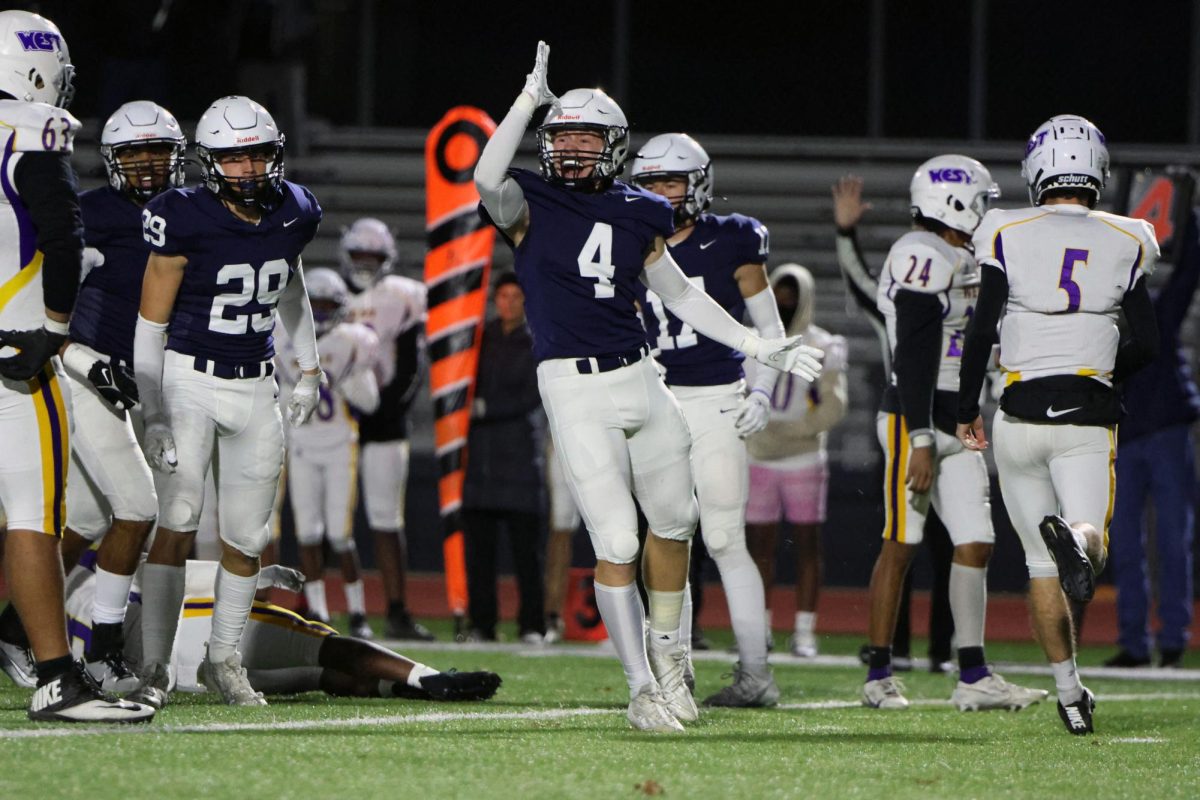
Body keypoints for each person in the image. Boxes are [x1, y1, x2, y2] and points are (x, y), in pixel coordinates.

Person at [474, 42, 821, 732]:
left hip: (641, 376)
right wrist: (524, 102)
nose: (571, 148)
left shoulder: (641, 210)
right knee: (618, 545)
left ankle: (672, 670)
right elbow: (486, 176)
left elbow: (683, 295)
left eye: (586, 136)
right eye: (561, 136)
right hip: (573, 388)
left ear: (614, 145)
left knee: (676, 526)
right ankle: (640, 691)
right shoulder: (529, 203)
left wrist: (756, 345)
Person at [958, 115, 1161, 735]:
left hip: (1016, 411)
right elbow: (1147, 343)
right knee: (1088, 541)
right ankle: (1077, 536)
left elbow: (982, 326)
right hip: (1084, 415)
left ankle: (1070, 695)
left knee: (1039, 569)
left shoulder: (1005, 229)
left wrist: (967, 405)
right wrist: (1104, 376)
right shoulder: (1127, 236)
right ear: (1095, 169)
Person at [131, 95, 324, 708]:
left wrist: (310, 367)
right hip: (189, 378)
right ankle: (155, 663)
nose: (250, 169)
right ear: (210, 163)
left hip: (256, 384)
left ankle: (223, 659)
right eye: (235, 159)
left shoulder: (295, 211)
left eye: (259, 155)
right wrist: (154, 409)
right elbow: (150, 324)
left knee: (247, 535)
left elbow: (290, 288)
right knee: (179, 519)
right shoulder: (181, 216)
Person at [0, 10, 152, 723]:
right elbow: (63, 237)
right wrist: (55, 332)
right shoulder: (35, 128)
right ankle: (59, 676)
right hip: (15, 345)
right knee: (35, 514)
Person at [862, 154, 1044, 713]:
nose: (986, 211)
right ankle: (878, 674)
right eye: (981, 201)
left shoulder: (963, 255)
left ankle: (974, 674)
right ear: (955, 201)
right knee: (902, 542)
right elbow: (914, 352)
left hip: (959, 420)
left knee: (976, 542)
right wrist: (918, 436)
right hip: (913, 414)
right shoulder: (921, 253)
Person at [630, 132, 786, 707]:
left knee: (724, 538)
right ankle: (676, 671)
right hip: (654, 402)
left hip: (718, 398)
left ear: (697, 185)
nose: (661, 195)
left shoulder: (733, 239)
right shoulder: (628, 237)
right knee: (667, 534)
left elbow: (769, 329)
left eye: (670, 182)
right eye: (649, 184)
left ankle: (756, 676)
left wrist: (763, 390)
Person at [53, 100, 186, 693]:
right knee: (138, 510)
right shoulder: (90, 215)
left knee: (83, 517)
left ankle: (11, 632)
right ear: (112, 160)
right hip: (85, 378)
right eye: (136, 153)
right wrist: (84, 361)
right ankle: (102, 652)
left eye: (160, 151)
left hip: (139, 383)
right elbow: (40, 312)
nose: (150, 165)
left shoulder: (189, 213)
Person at [60, 552, 501, 702]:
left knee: (315, 676)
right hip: (188, 634)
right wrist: (255, 576)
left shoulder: (53, 616)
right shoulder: (99, 567)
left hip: (179, 681)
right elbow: (170, 573)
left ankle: (393, 687)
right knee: (319, 646)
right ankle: (428, 677)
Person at [833, 175, 957, 673]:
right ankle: (899, 648)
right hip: (911, 423)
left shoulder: (961, 297)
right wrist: (846, 235)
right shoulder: (896, 311)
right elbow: (862, 282)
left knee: (954, 544)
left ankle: (948, 651)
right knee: (903, 540)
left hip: (949, 423)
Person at [1105, 208, 1199, 669]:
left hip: (1163, 435)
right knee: (1125, 544)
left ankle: (1173, 637)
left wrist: (1191, 217)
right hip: (1126, 438)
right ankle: (1137, 643)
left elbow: (1188, 273)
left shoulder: (1156, 309)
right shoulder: (1102, 320)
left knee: (1172, 540)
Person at [744, 264, 848, 659]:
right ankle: (762, 626)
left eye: (792, 293)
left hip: (803, 456)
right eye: (779, 293)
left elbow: (834, 406)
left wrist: (790, 431)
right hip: (758, 455)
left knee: (807, 545)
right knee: (759, 548)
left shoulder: (823, 344)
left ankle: (804, 629)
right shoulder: (752, 339)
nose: (785, 301)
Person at [339, 217, 434, 641]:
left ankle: (396, 608)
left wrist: (385, 408)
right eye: (357, 254)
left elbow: (412, 367)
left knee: (385, 519)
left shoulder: (401, 296)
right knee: (323, 522)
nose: (363, 263)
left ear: (386, 258)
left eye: (371, 255)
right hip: (331, 423)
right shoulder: (328, 295)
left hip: (384, 422)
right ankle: (324, 607)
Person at [275, 267, 381, 639]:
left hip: (339, 448)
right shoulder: (282, 338)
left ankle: (357, 612)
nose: (319, 311)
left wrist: (348, 382)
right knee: (307, 533)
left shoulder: (351, 342)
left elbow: (371, 401)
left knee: (339, 535)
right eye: (313, 303)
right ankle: (318, 610)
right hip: (302, 446)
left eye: (325, 304)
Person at [463, 271, 546, 643]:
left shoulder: (537, 341)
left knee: (527, 555)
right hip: (480, 463)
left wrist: (480, 408)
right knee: (480, 555)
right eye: (503, 297)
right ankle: (482, 623)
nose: (509, 304)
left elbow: (529, 397)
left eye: (516, 297)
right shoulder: (478, 339)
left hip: (519, 460)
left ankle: (532, 624)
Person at [542, 430, 581, 643]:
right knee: (560, 529)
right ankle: (552, 616)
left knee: (617, 533)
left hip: (608, 442)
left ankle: (625, 617)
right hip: (563, 441)